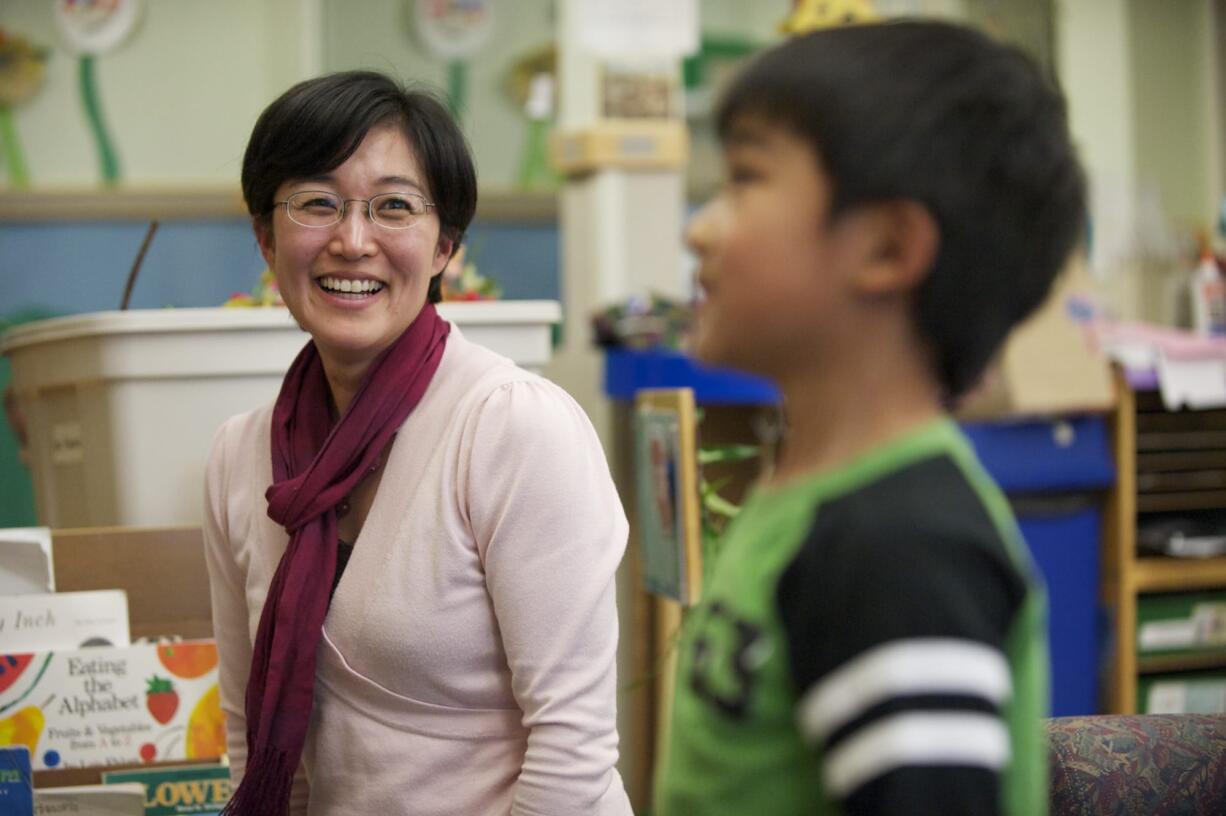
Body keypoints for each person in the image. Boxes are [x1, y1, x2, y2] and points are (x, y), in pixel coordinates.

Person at [654, 20, 1085, 816]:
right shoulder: (814, 501)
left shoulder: (899, 543)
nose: (699, 227)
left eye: (744, 179)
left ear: (887, 247)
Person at [203, 71, 632, 816]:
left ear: (446, 247)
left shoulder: (513, 426)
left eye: (394, 206)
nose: (353, 240)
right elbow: (255, 739)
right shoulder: (240, 457)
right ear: (266, 238)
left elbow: (573, 751)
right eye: (316, 203)